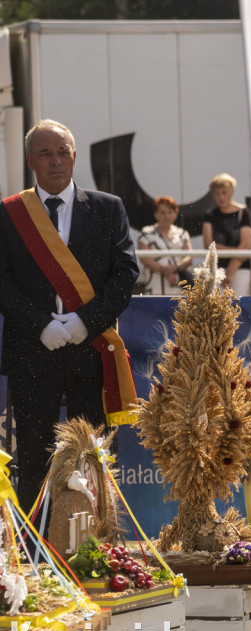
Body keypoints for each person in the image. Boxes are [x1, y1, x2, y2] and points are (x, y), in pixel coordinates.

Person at [0, 119, 139, 506]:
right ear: (31, 160)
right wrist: (41, 324)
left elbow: (125, 274)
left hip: (89, 351)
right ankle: (32, 545)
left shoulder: (109, 209)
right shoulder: (9, 214)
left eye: (63, 152)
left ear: (75, 156)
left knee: (92, 455)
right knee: (32, 455)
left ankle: (95, 542)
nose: (56, 161)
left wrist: (84, 322)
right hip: (33, 350)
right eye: (45, 154)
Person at [201, 173, 251, 295]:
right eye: (217, 194)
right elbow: (209, 245)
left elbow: (246, 246)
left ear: (232, 192)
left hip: (241, 269)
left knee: (239, 306)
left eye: (224, 193)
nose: (221, 197)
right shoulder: (210, 215)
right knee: (216, 310)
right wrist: (237, 250)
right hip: (217, 270)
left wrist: (229, 273)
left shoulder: (243, 213)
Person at [137, 195, 193, 296]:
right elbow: (144, 258)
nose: (166, 216)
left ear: (176, 214)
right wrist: (164, 271)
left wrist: (175, 267)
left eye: (170, 212)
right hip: (155, 288)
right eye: (162, 212)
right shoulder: (146, 233)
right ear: (155, 214)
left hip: (179, 290)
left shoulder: (182, 233)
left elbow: (189, 257)